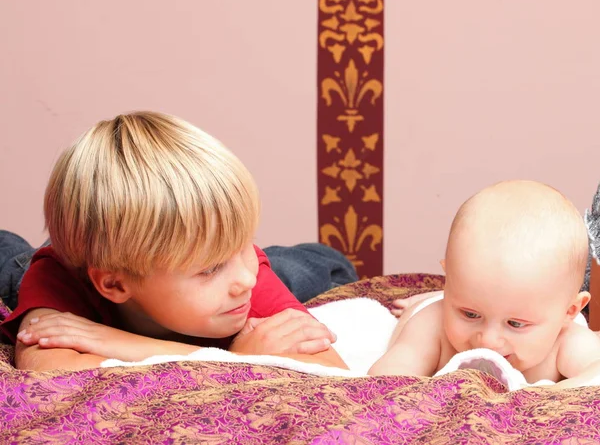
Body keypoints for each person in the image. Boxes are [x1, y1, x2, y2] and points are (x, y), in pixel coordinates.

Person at [0, 111, 346, 371]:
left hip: (260, 270)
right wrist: (241, 359)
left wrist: (114, 341)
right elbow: (47, 368)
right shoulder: (57, 277)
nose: (245, 279)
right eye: (210, 269)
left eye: (244, 244)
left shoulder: (246, 279)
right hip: (60, 268)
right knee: (12, 260)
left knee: (319, 264)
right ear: (113, 283)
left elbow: (333, 368)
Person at [369, 180, 600, 389]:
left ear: (569, 312)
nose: (488, 339)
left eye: (516, 323)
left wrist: (551, 393)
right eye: (470, 314)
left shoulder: (566, 340)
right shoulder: (431, 325)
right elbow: (388, 375)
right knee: (444, 304)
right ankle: (433, 296)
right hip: (439, 304)